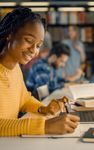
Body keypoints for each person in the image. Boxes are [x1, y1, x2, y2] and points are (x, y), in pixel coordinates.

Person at [0, 7, 79, 136]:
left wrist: (43, 108)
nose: (33, 50)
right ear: (10, 34)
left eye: (38, 45)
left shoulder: (15, 68)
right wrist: (44, 126)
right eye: (29, 40)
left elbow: (24, 99)